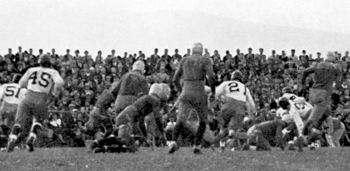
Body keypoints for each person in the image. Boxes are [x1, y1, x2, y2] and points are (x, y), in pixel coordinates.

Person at [90, 83, 170, 153]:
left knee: (131, 147)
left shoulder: (146, 101)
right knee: (125, 142)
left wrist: (145, 137)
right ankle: (99, 143)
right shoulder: (154, 100)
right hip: (126, 118)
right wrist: (162, 133)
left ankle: (103, 148)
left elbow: (140, 122)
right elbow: (157, 117)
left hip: (124, 117)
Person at [7, 55, 64, 152]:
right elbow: (60, 83)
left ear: (40, 62)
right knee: (38, 122)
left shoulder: (31, 69)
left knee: (18, 123)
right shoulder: (53, 72)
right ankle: (32, 138)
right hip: (41, 99)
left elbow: (21, 84)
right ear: (49, 63)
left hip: (27, 97)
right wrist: (54, 93)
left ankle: (12, 138)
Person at [170, 42, 216, 154]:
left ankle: (173, 142)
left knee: (181, 119)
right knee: (203, 120)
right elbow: (211, 76)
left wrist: (180, 90)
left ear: (191, 50)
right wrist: (213, 92)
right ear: (201, 50)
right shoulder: (205, 60)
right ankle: (197, 146)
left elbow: (175, 79)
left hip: (186, 90)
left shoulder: (184, 60)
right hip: (200, 91)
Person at [86, 60, 149, 134]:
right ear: (142, 70)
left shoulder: (125, 75)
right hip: (132, 103)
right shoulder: (142, 78)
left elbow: (113, 92)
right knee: (134, 124)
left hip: (119, 102)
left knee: (119, 123)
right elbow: (145, 97)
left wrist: (99, 105)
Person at [302, 52, 342, 136]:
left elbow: (305, 72)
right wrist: (337, 89)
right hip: (324, 92)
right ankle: (307, 131)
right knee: (314, 118)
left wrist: (303, 84)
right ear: (334, 59)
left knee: (325, 111)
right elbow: (338, 82)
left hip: (313, 91)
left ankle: (315, 128)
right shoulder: (335, 67)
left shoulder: (319, 64)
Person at [215, 70, 256, 151]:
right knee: (232, 129)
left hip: (228, 104)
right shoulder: (244, 87)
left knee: (223, 127)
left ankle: (221, 145)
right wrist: (254, 112)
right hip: (240, 106)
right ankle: (231, 137)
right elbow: (251, 102)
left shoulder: (226, 83)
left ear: (232, 77)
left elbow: (215, 93)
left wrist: (220, 100)